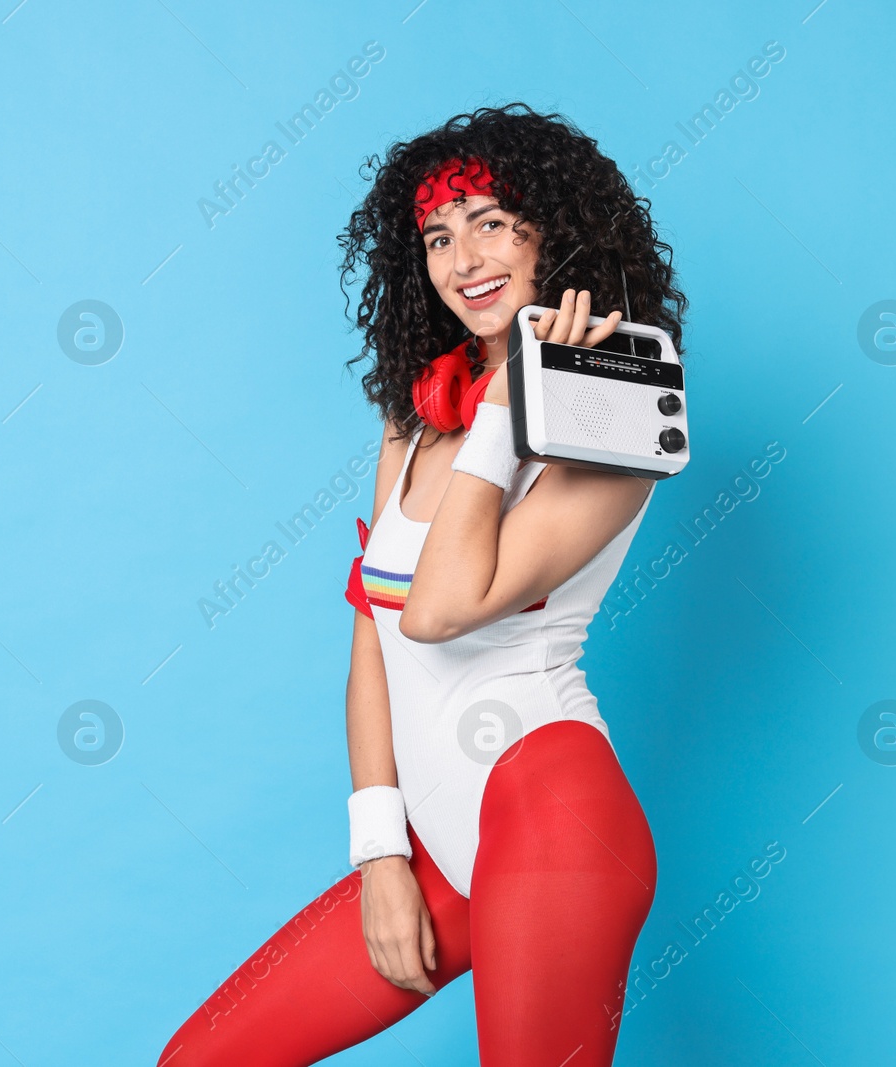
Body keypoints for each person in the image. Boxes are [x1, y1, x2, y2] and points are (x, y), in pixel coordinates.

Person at [158, 103, 689, 1066]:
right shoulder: (419, 409)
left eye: (491, 221)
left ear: (555, 231)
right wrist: (380, 852)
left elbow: (439, 610)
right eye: (439, 235)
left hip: (550, 808)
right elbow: (375, 636)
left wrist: (513, 402)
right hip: (440, 837)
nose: (462, 258)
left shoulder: (611, 410)